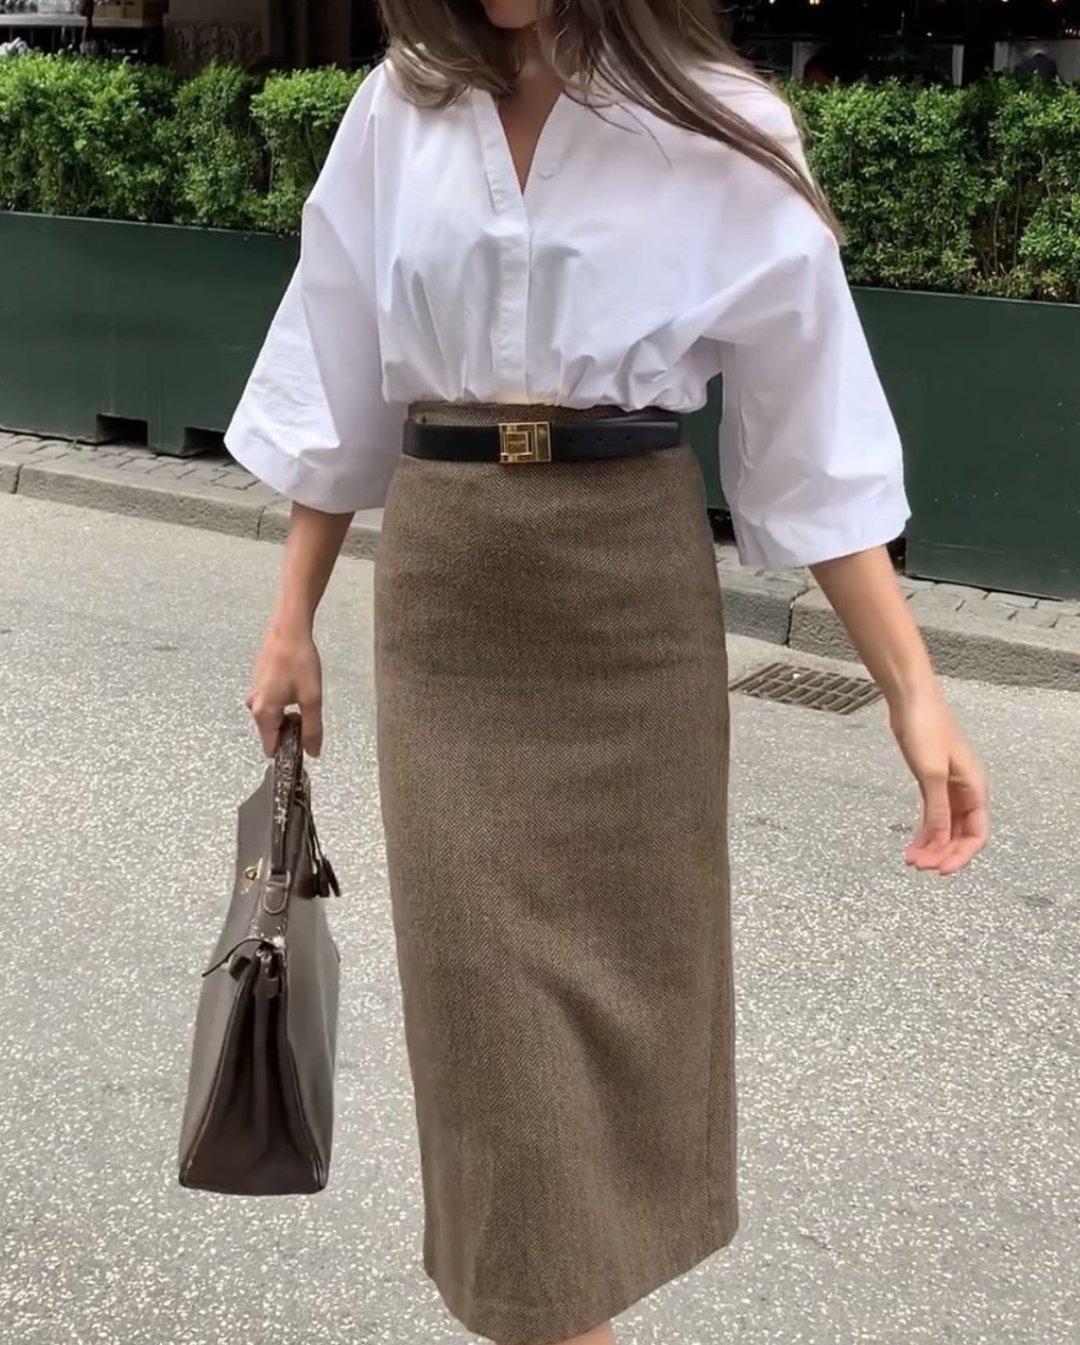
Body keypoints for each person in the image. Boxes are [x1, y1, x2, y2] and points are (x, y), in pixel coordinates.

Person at [227, 3, 989, 1342]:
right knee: (494, 1059)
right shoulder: (400, 106)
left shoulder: (722, 120)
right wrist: (292, 617)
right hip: (451, 608)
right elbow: (336, 371)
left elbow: (810, 428)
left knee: (621, 1038)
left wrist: (912, 688)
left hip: (630, 611)